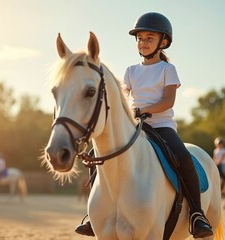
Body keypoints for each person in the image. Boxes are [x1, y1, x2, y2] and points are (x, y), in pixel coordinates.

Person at [75, 12, 213, 238]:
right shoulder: (131, 71)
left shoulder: (167, 70)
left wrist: (143, 111)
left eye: (149, 38)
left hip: (161, 126)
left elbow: (168, 101)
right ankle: (96, 214)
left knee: (184, 157)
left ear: (163, 42)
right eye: (140, 38)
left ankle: (197, 214)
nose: (143, 42)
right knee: (96, 155)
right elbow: (123, 98)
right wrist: (128, 113)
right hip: (135, 126)